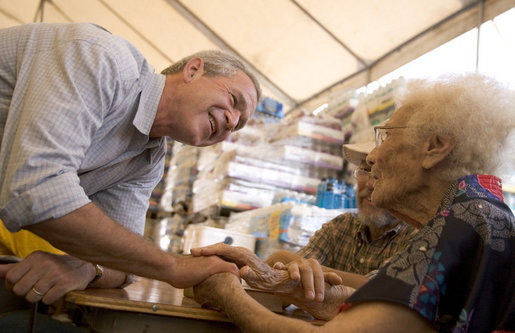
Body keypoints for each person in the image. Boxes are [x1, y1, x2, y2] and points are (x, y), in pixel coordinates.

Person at [192, 73, 515, 332]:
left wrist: (226, 292)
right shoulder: (480, 212)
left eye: (386, 136)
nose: (372, 158)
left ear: (436, 147)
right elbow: (394, 314)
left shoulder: (459, 226)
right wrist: (272, 277)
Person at [0, 22, 260, 304]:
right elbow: (36, 189)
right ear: (193, 70)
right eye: (233, 100)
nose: (232, 122)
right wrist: (173, 266)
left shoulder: (146, 159)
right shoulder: (105, 59)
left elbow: (125, 263)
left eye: (239, 126)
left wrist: (87, 267)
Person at [265, 141, 418, 293]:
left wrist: (287, 259)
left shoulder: (418, 236)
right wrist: (290, 266)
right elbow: (290, 277)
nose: (371, 183)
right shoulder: (340, 226)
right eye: (365, 169)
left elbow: (379, 289)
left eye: (383, 173)